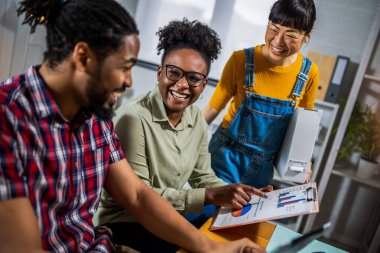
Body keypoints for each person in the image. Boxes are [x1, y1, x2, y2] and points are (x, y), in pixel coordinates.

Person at [0, 1, 266, 253]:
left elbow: (138, 196)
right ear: (83, 57)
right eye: (124, 68)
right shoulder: (8, 119)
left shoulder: (96, 120)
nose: (129, 82)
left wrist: (212, 248)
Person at [97, 18, 272, 253]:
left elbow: (203, 176)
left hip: (167, 220)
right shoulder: (133, 119)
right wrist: (210, 196)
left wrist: (239, 193)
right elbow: (140, 197)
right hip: (126, 224)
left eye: (194, 78)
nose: (182, 84)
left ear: (203, 84)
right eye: (174, 73)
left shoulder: (196, 119)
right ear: (160, 73)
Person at [202, 0, 319, 188]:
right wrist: (184, 140)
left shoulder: (309, 73)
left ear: (306, 37)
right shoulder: (240, 60)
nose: (278, 41)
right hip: (224, 157)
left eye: (290, 35)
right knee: (205, 215)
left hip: (262, 169)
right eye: (274, 28)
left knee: (246, 217)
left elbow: (304, 130)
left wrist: (306, 162)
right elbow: (212, 107)